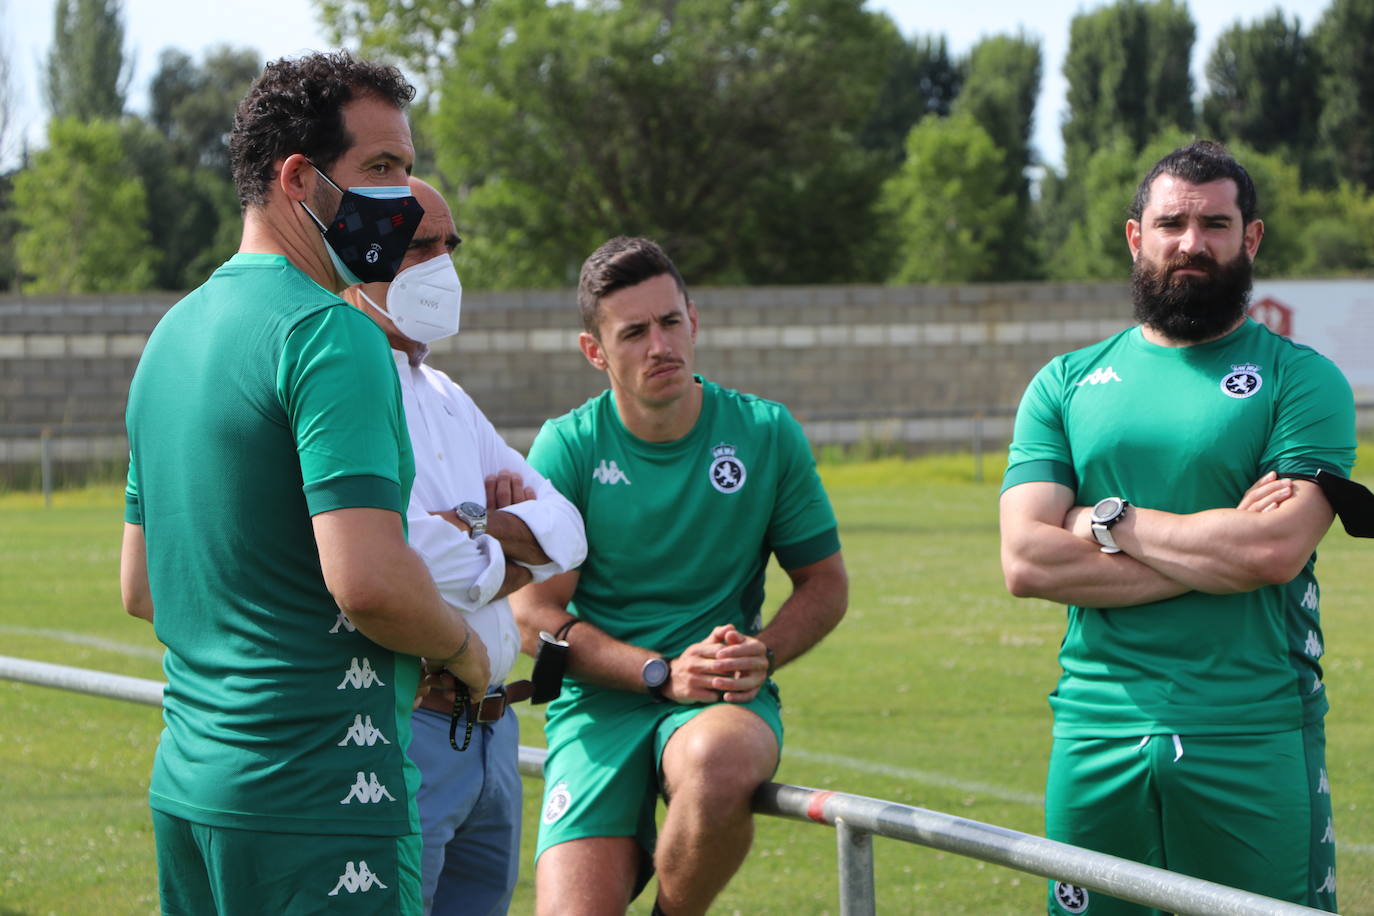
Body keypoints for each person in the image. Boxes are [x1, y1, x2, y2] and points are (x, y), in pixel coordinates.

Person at [119, 53, 490, 915]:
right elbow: (367, 582)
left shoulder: (170, 335)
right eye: (383, 168)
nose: (402, 201)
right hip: (324, 796)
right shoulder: (333, 333)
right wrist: (464, 651)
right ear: (299, 178)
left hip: (191, 787)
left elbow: (142, 589)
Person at [999, 141, 1356, 914]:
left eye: (1215, 223)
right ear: (1136, 237)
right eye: (1172, 223)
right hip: (1094, 730)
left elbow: (1272, 549)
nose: (1191, 242)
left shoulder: (1303, 380)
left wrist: (1105, 520)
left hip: (1250, 729)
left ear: (1250, 238)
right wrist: (1213, 546)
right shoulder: (1063, 383)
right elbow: (1027, 560)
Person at [508, 236, 849, 916]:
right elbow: (533, 616)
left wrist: (762, 654)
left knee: (716, 764)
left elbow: (825, 583)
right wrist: (660, 671)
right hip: (599, 705)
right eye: (633, 332)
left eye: (670, 322)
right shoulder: (568, 446)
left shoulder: (764, 433)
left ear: (693, 320)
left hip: (717, 698)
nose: (659, 345)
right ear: (595, 352)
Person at [339, 176, 587, 915]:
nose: (444, 263)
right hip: (402, 726)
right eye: (421, 246)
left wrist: (468, 529)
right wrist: (507, 545)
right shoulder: (344, 386)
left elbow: (567, 529)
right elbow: (399, 553)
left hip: (491, 733)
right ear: (363, 257)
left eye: (451, 244)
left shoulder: (447, 395)